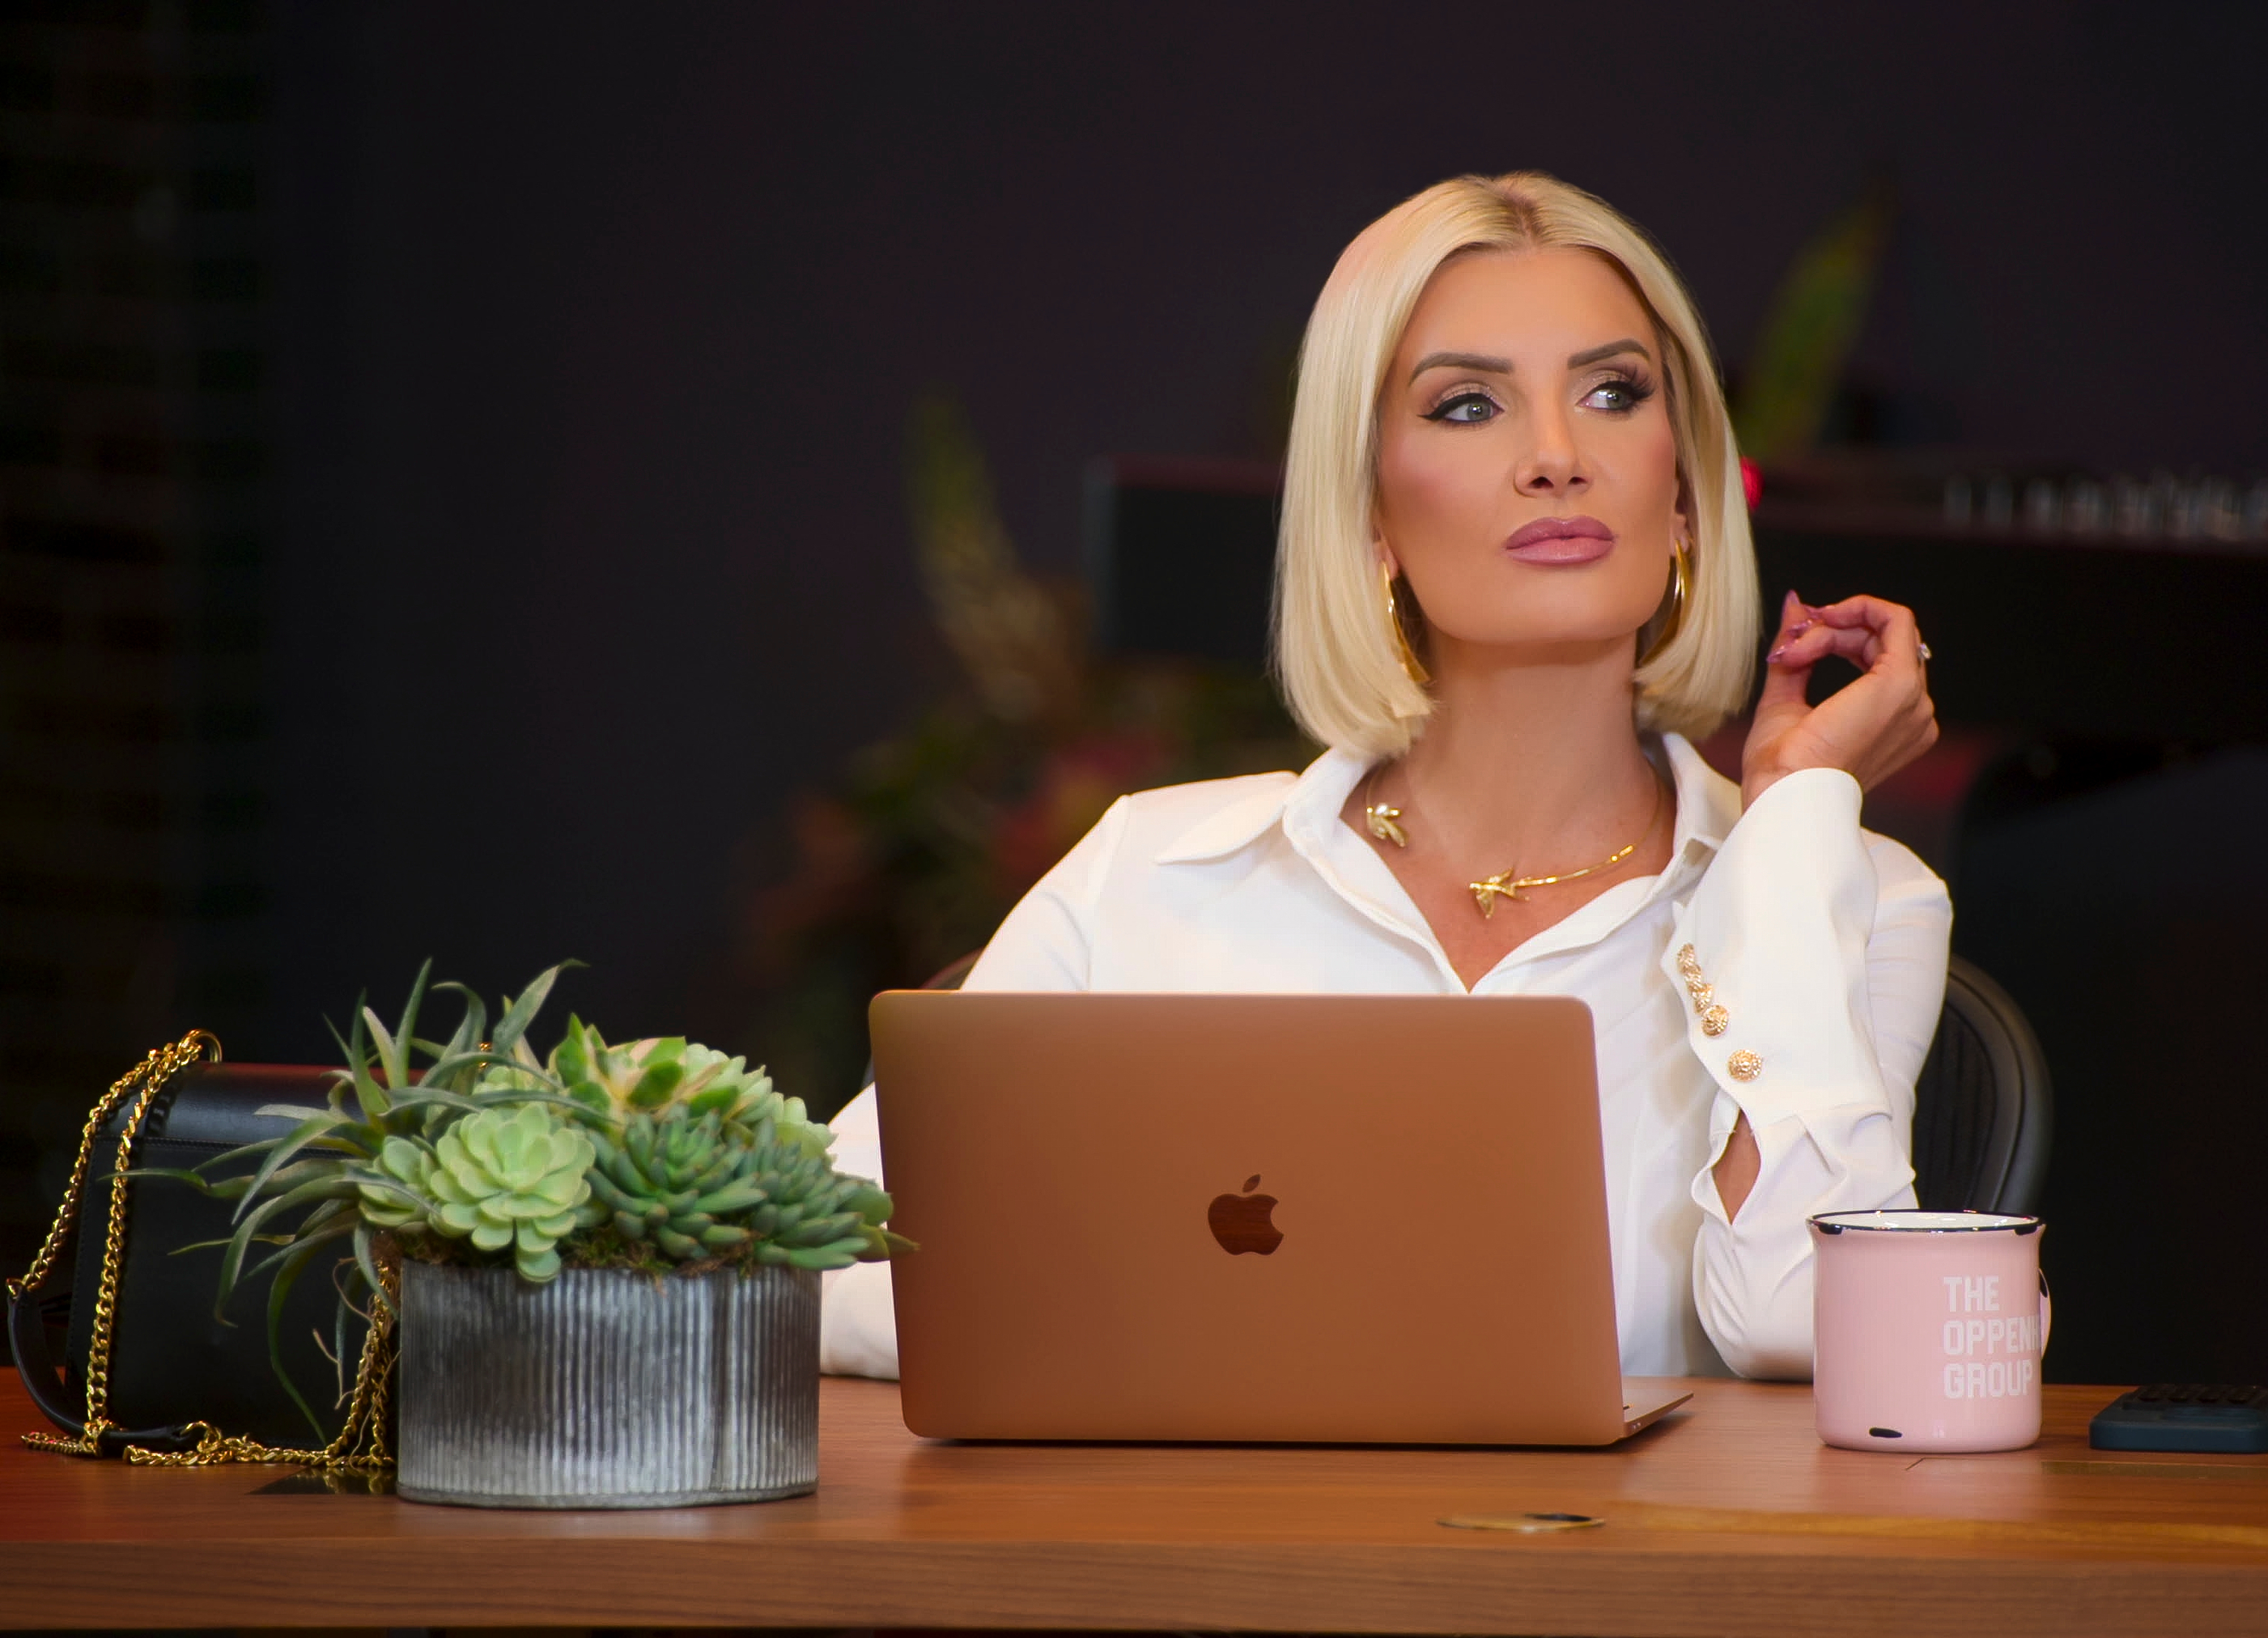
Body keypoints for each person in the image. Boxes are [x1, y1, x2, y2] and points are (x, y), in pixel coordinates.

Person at [821, 172, 1947, 1382]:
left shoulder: (1860, 898)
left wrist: (1792, 832)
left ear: (1682, 494)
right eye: (1468, 406)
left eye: (1612, 393)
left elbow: (1804, 1321)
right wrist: (1221, 1350)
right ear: (1370, 515)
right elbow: (815, 1266)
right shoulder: (1149, 875)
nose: (1557, 456)